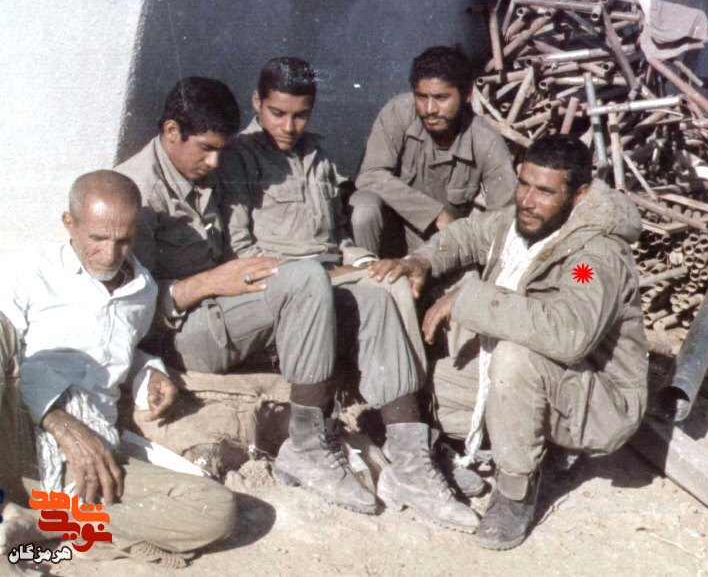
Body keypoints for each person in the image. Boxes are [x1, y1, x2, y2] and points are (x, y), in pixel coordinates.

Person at [117, 77, 476, 531]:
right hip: (184, 332)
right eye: (206, 149)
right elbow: (129, 307)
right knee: (305, 277)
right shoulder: (136, 194)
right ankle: (306, 447)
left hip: (230, 308)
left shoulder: (205, 169)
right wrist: (208, 282)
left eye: (220, 150)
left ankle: (411, 461)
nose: (215, 162)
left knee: (374, 292)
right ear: (172, 131)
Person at [370, 134, 649, 550]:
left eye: (545, 191)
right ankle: (467, 449)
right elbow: (468, 234)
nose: (527, 201)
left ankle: (516, 490)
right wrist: (422, 260)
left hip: (595, 400)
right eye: (523, 184)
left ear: (578, 196)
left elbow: (569, 333)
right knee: (419, 384)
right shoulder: (525, 224)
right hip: (541, 381)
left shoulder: (592, 260)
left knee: (514, 357)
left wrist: (470, 300)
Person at [0, 171, 234, 567]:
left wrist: (148, 371)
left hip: (90, 460)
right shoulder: (28, 270)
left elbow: (114, 347)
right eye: (97, 238)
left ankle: (41, 524)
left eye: (123, 240)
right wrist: (56, 419)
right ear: (69, 223)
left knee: (215, 508)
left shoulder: (142, 291)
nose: (110, 254)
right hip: (17, 437)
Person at [217, 56, 426, 375]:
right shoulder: (239, 158)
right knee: (385, 291)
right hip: (288, 281)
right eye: (277, 113)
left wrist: (364, 261)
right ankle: (406, 386)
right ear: (257, 102)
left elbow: (337, 234)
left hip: (333, 269)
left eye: (301, 116)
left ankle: (406, 387)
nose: (289, 127)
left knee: (391, 278)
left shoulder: (318, 157)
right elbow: (239, 249)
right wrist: (310, 275)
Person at [351, 45, 516, 257]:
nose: (430, 109)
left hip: (441, 246)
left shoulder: (486, 141)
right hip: (389, 235)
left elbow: (504, 216)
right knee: (364, 207)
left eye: (441, 98)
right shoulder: (399, 112)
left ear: (467, 95)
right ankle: (364, 270)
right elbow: (369, 176)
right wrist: (434, 213)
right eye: (421, 97)